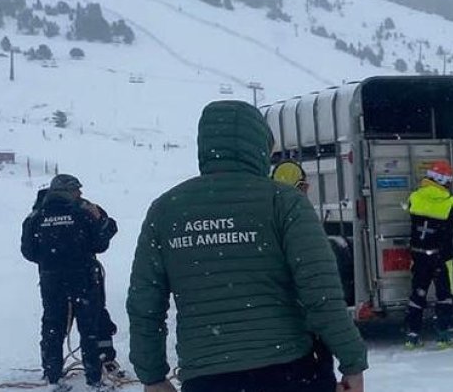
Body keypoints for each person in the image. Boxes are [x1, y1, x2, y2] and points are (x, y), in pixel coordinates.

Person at [127, 100, 367, 392]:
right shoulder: (283, 201)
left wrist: (152, 377)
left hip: (207, 377)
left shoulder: (165, 210)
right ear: (260, 146)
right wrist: (352, 362)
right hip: (288, 371)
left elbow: (144, 305)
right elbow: (321, 293)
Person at [21, 174, 118, 392]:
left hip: (51, 281)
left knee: (53, 326)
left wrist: (50, 262)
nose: (80, 194)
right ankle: (94, 380)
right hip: (83, 278)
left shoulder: (37, 215)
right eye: (77, 190)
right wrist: (103, 221)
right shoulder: (83, 212)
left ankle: (53, 377)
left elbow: (27, 250)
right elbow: (101, 242)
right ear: (68, 191)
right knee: (89, 327)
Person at [402, 160, 453, 349]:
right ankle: (444, 336)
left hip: (419, 256)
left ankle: (412, 336)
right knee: (444, 295)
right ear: (444, 182)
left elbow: (407, 207)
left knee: (417, 295)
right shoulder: (449, 202)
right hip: (440, 258)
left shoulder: (415, 197)